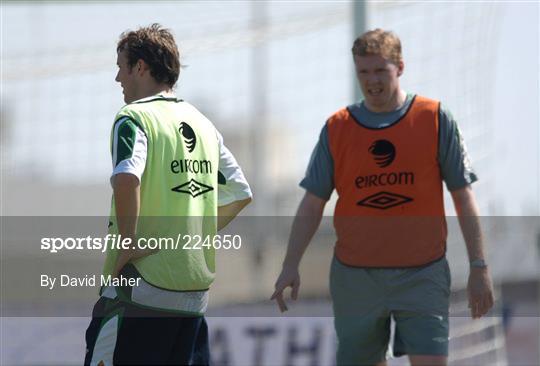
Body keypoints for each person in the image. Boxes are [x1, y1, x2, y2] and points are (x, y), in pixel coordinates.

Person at [272, 29, 494, 366]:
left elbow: (463, 196)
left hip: (423, 273)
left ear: (400, 67)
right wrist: (290, 264)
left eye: (380, 70)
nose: (371, 80)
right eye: (363, 71)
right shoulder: (337, 127)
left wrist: (479, 265)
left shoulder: (434, 118)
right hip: (355, 277)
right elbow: (312, 203)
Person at [84, 24, 252, 365]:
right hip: (192, 297)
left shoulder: (134, 118)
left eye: (121, 66)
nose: (118, 78)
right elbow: (240, 192)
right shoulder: (203, 124)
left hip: (140, 290)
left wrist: (128, 242)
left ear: (141, 67)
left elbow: (126, 178)